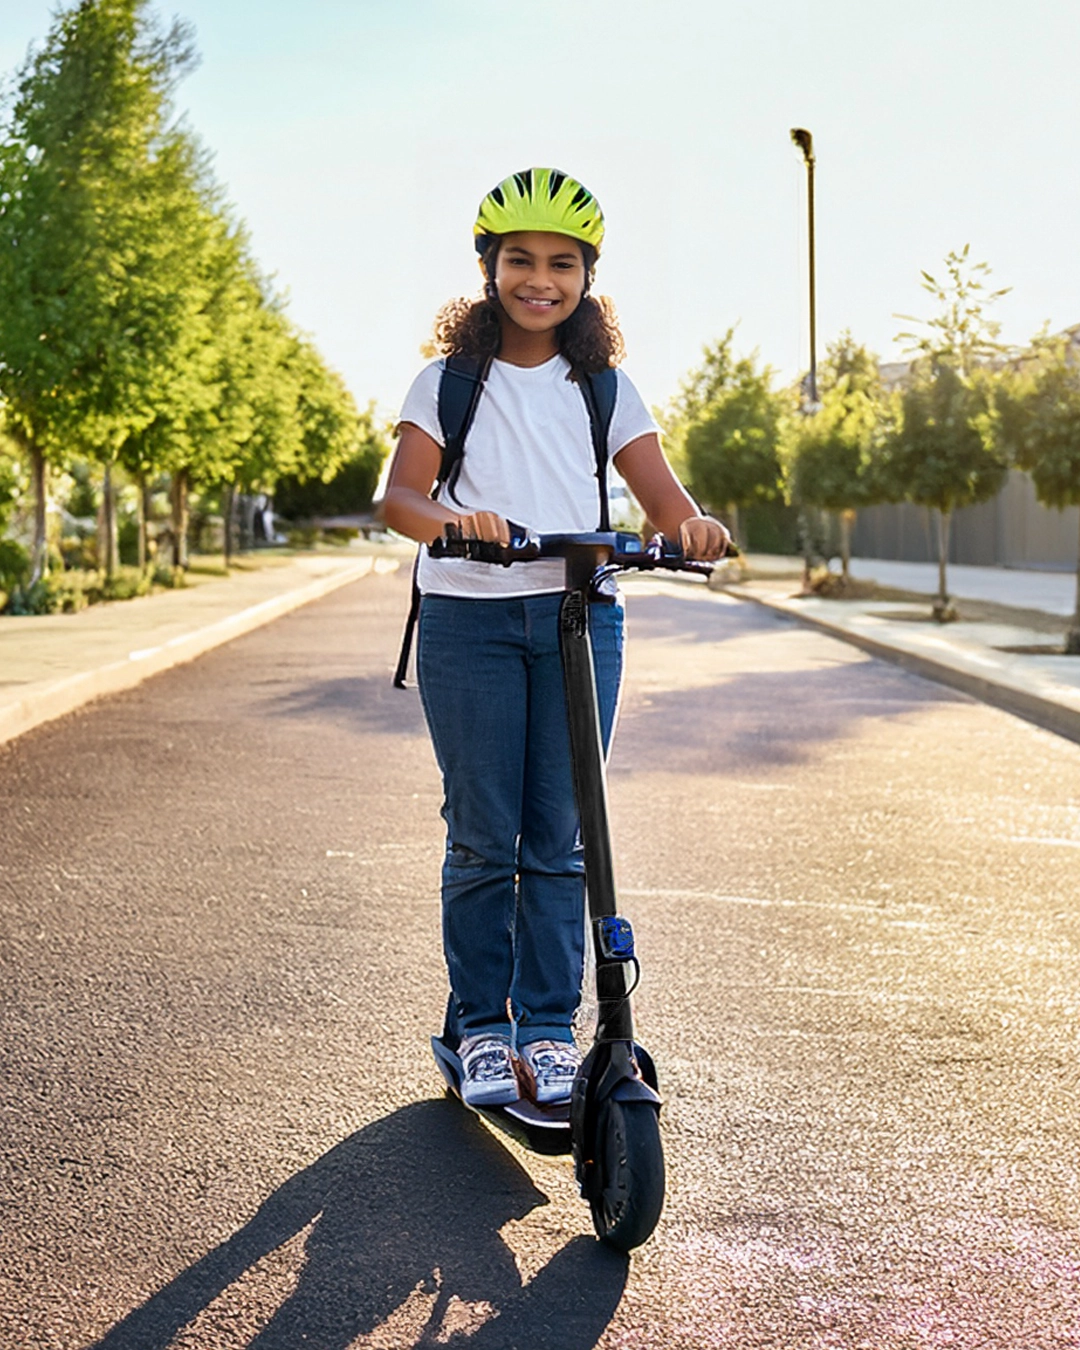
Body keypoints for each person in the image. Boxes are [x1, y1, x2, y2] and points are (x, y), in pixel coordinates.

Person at [383, 168, 728, 1110]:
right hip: (470, 618)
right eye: (521, 260)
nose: (541, 279)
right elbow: (402, 499)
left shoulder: (602, 387)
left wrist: (694, 529)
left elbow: (667, 503)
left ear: (587, 277)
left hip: (580, 615)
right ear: (488, 268)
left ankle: (547, 1026)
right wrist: (457, 522)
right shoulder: (449, 382)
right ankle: (481, 1029)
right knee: (484, 837)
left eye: (562, 264)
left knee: (562, 839)